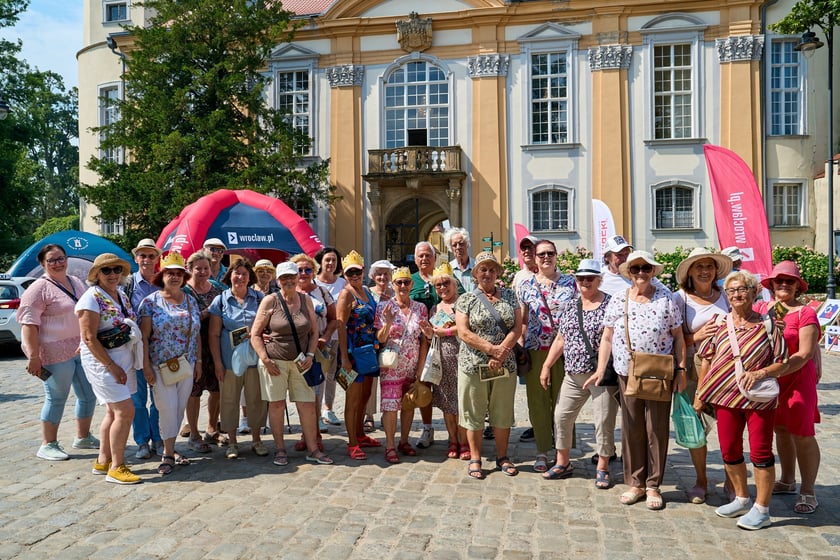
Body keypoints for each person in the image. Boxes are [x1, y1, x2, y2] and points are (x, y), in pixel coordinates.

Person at [588, 250, 686, 509]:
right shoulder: (619, 299)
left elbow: (678, 336)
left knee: (656, 429)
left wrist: (682, 368)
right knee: (632, 428)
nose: (641, 273)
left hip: (658, 372)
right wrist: (600, 369)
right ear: (629, 273)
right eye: (635, 269)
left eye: (646, 268)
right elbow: (607, 337)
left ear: (653, 271)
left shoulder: (666, 298)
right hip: (626, 371)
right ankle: (636, 483)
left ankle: (654, 485)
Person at [695, 270, 789, 530]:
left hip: (759, 400)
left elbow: (782, 362)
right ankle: (741, 497)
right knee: (729, 450)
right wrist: (701, 393)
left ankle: (762, 508)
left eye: (742, 289)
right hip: (724, 397)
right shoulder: (719, 322)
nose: (737, 294)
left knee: (760, 453)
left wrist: (760, 372)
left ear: (753, 292)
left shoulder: (768, 325)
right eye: (732, 290)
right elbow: (707, 358)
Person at [543, 259, 619, 487]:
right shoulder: (571, 305)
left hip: (602, 375)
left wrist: (601, 369)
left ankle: (603, 465)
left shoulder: (610, 304)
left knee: (603, 421)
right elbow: (560, 338)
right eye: (581, 278)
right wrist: (547, 365)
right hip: (573, 374)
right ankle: (563, 461)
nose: (585, 282)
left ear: (599, 279)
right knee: (561, 416)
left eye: (590, 278)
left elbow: (610, 338)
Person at [18, 244, 98, 461]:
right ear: (43, 263)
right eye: (52, 260)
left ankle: (83, 436)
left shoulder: (76, 281)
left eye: (61, 258)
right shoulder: (38, 288)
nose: (58, 263)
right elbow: (28, 325)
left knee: (88, 395)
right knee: (56, 398)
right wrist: (34, 356)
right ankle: (48, 444)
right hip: (54, 352)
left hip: (80, 349)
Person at [250, 262, 334, 466]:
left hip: (301, 362)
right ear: (277, 281)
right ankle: (280, 449)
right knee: (277, 405)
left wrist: (311, 354)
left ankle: (313, 449)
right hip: (274, 362)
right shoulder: (270, 301)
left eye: (292, 277)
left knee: (307, 405)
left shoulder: (306, 301)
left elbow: (314, 332)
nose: (288, 281)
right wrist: (265, 359)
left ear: (298, 278)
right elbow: (255, 334)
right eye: (284, 278)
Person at [756, 261, 821, 515]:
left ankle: (808, 490)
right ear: (771, 284)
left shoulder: (805, 313)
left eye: (789, 281)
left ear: (797, 286)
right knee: (780, 430)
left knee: (803, 434)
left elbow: (805, 353)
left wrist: (772, 371)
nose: (783, 284)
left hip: (797, 379)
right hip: (772, 381)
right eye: (779, 280)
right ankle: (787, 480)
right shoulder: (761, 308)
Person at [672, 247, 732, 504]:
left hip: (727, 369)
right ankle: (701, 480)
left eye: (709, 266)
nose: (705, 271)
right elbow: (672, 338)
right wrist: (696, 336)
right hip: (695, 369)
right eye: (699, 267)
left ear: (716, 270)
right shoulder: (680, 299)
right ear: (690, 273)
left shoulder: (728, 296)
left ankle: (732, 480)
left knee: (731, 427)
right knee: (696, 427)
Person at [455, 252, 523, 479]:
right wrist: (491, 350)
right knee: (473, 411)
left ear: (497, 273)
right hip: (474, 364)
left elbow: (517, 327)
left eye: (492, 269)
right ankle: (475, 457)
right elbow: (463, 332)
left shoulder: (510, 297)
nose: (487, 273)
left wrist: (502, 352)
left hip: (504, 364)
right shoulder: (466, 299)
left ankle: (502, 456)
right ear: (475, 273)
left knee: (501, 410)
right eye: (483, 269)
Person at [76, 253, 142, 484]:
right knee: (125, 411)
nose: (112, 274)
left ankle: (103, 460)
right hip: (104, 362)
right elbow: (88, 338)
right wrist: (111, 366)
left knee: (113, 412)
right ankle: (118, 466)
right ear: (97, 275)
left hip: (121, 358)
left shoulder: (120, 294)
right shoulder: (91, 298)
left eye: (116, 270)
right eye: (106, 271)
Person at [139, 252, 202, 475]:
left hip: (187, 363)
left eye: (178, 273)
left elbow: (197, 334)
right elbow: (144, 338)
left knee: (178, 409)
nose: (174, 277)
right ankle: (167, 453)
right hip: (159, 365)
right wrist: (146, 366)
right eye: (170, 273)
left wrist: (199, 361)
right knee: (167, 408)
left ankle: (172, 448)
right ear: (161, 275)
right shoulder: (150, 303)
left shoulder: (190, 300)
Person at [518, 239, 577, 472]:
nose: (545, 257)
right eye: (541, 254)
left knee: (563, 402)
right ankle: (542, 450)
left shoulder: (570, 283)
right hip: (536, 350)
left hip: (564, 352)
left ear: (556, 256)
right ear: (533, 256)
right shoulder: (526, 285)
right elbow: (522, 321)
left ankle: (563, 453)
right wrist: (521, 348)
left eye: (549, 253)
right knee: (538, 402)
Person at [208, 256, 268, 459]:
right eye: (236, 273)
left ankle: (257, 439)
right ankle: (232, 442)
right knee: (229, 400)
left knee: (256, 399)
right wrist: (217, 362)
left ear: (249, 277)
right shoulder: (221, 300)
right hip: (229, 360)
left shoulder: (259, 298)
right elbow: (214, 334)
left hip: (255, 358)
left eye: (244, 273)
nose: (240, 277)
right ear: (230, 276)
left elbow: (267, 326)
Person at [375, 267, 429, 463]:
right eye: (399, 282)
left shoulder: (420, 308)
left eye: (407, 282)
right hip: (392, 365)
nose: (403, 286)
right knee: (390, 406)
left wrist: (421, 369)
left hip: (412, 365)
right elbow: (380, 339)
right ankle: (390, 445)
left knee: (408, 404)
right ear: (393, 284)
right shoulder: (384, 307)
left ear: (412, 284)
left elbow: (425, 339)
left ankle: (404, 441)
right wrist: (388, 323)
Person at [336, 250, 380, 460]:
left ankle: (361, 434)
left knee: (364, 396)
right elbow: (340, 326)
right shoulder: (346, 294)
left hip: (368, 353)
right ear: (344, 274)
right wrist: (344, 357)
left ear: (363, 271)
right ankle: (352, 442)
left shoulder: (366, 291)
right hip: (353, 354)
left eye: (357, 271)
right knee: (352, 400)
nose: (354, 275)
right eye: (349, 272)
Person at [182, 250, 225, 451]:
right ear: (189, 269)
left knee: (216, 387)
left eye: (206, 268)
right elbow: (185, 320)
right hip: (194, 347)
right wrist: (209, 312)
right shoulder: (185, 291)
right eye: (198, 268)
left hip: (216, 345)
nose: (202, 272)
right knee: (194, 390)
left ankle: (211, 428)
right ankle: (194, 433)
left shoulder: (216, 288)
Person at [126, 238, 164, 460]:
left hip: (160, 350)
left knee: (159, 398)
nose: (147, 259)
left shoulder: (164, 282)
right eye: (143, 255)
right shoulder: (128, 284)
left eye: (151, 255)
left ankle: (159, 438)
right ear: (136, 258)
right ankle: (142, 440)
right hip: (135, 350)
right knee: (138, 400)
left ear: (157, 258)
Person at [292, 253, 338, 437]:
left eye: (307, 269)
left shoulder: (322, 292)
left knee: (316, 384)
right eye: (299, 270)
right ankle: (306, 429)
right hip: (296, 348)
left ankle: (316, 422)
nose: (303, 273)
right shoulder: (288, 292)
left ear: (314, 271)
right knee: (300, 388)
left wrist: (325, 337)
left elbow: (334, 319)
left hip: (318, 346)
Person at [425, 262, 468, 460]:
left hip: (462, 359)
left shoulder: (464, 302)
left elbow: (467, 329)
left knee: (462, 403)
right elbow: (432, 336)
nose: (442, 287)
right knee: (447, 403)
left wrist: (446, 331)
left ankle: (464, 441)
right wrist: (428, 333)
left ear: (454, 283)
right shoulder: (435, 308)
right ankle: (452, 439)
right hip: (442, 362)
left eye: (445, 283)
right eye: (438, 285)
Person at [315, 246, 345, 427]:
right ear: (321, 261)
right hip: (317, 337)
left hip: (336, 336)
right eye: (327, 260)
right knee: (318, 374)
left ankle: (329, 408)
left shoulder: (342, 283)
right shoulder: (313, 283)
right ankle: (316, 413)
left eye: (334, 260)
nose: (331, 263)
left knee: (332, 373)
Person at [365, 259, 396, 432]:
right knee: (371, 380)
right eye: (379, 273)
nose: (382, 277)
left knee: (389, 379)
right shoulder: (367, 292)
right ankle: (369, 416)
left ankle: (388, 414)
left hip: (391, 341)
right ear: (373, 276)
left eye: (386, 273)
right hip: (371, 340)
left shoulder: (395, 292)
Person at [445, 227, 475, 293]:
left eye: (461, 244)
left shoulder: (477, 266)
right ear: (451, 248)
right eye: (454, 245)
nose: (458, 247)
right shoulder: (447, 269)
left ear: (467, 244)